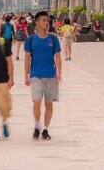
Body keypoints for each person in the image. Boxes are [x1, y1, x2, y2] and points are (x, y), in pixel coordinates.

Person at [24, 11, 62, 141]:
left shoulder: (53, 39)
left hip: (51, 76)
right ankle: (36, 126)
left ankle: (45, 129)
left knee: (49, 104)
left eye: (48, 21)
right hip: (36, 75)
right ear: (37, 22)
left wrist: (59, 72)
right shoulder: (30, 40)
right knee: (36, 102)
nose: (47, 23)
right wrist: (26, 75)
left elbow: (57, 56)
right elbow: (27, 58)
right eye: (44, 20)